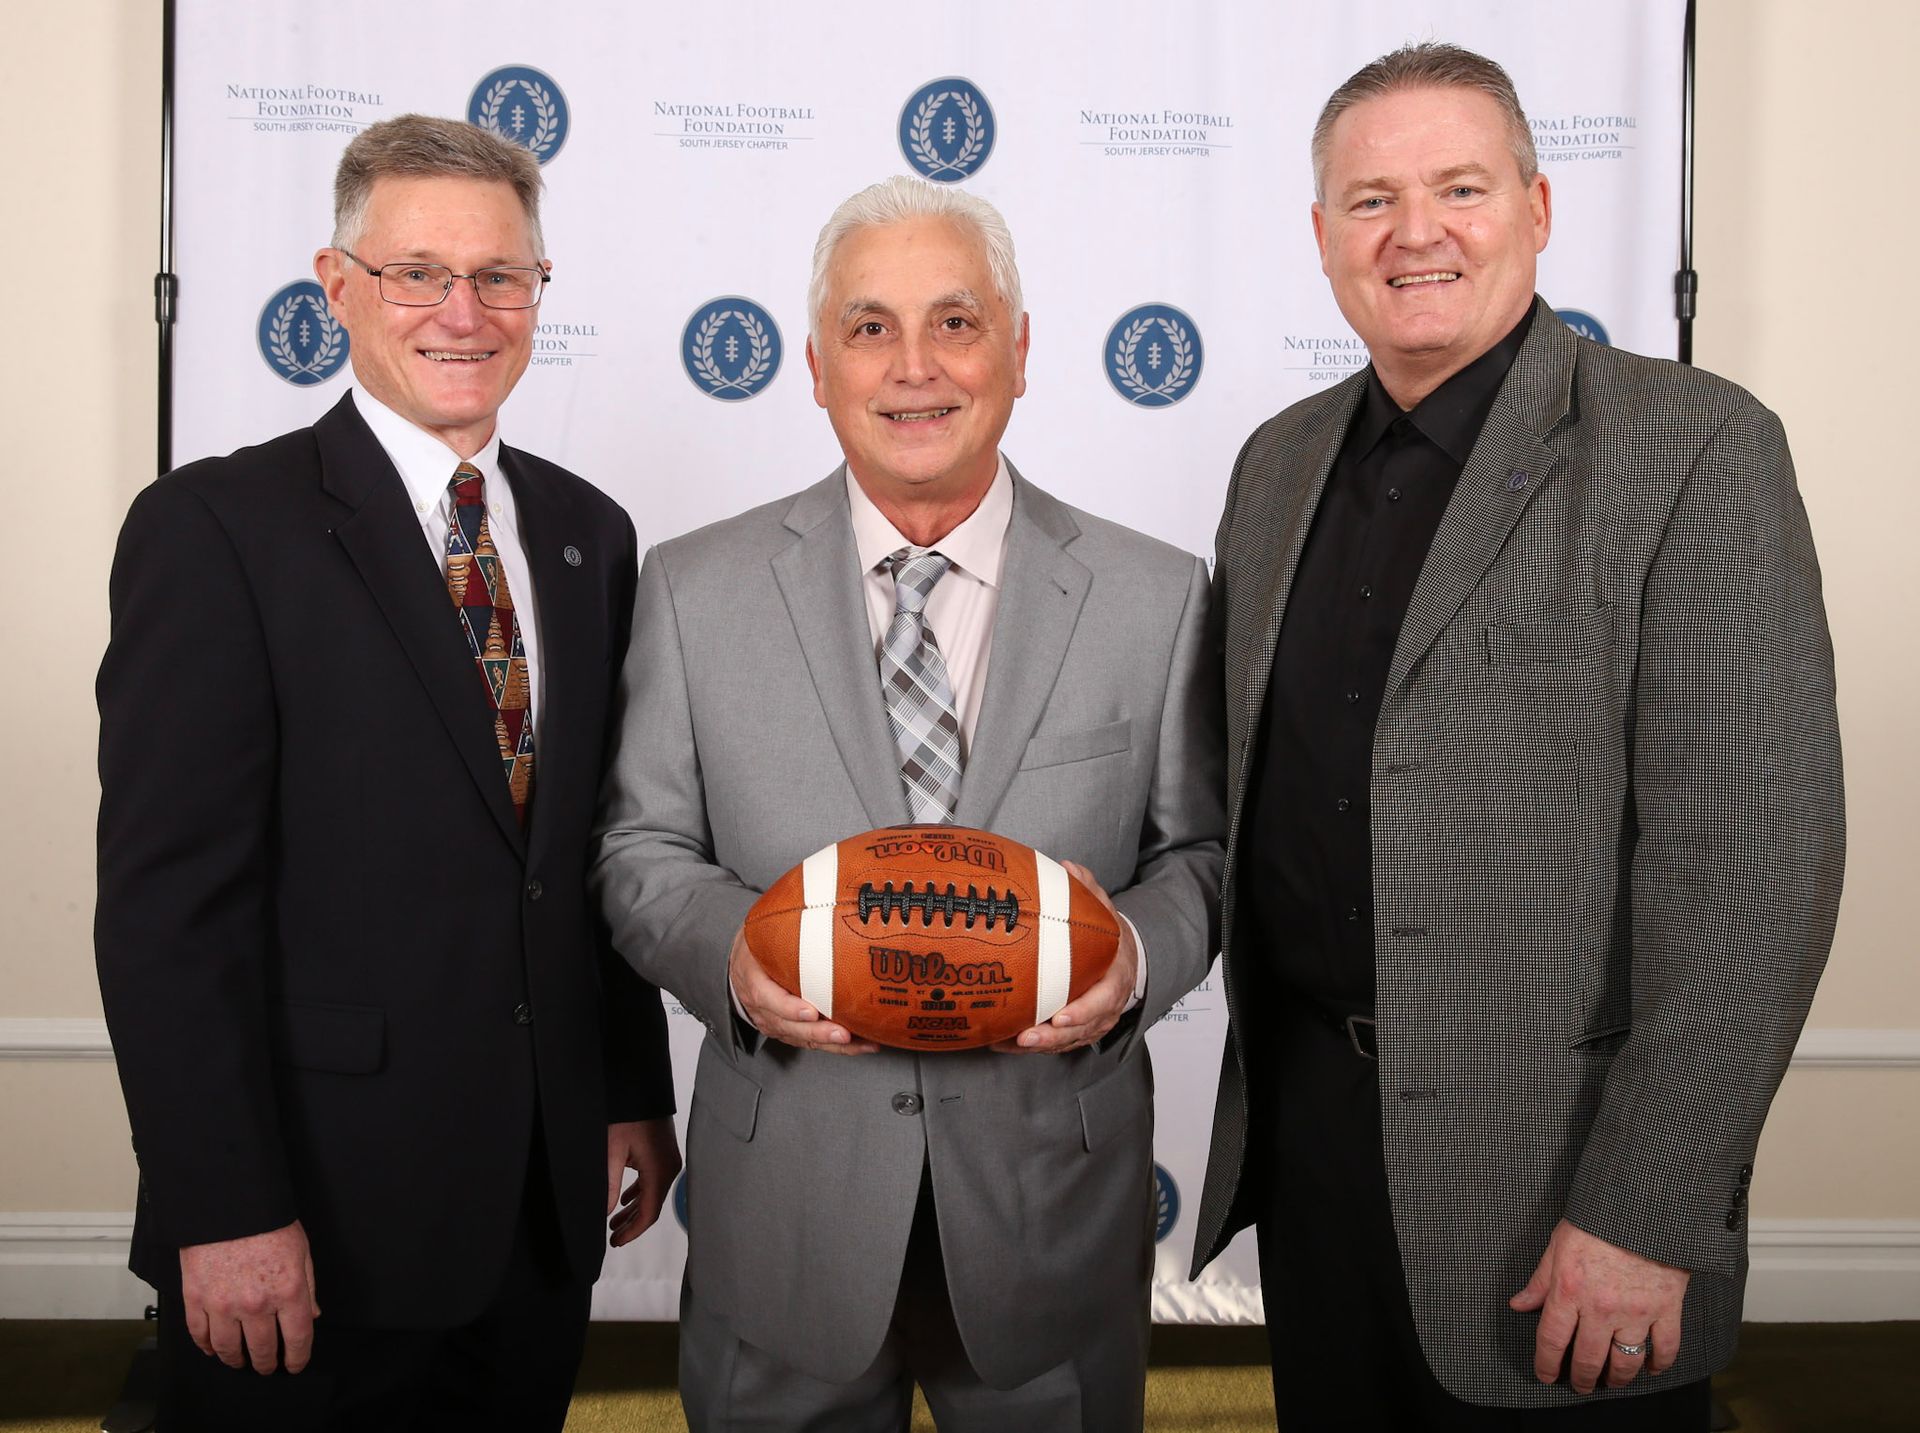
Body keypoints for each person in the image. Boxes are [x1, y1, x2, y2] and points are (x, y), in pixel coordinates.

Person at [1188, 41, 1845, 1430]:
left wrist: (1651, 1207)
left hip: (1563, 1192)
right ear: (1321, 238)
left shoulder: (1696, 450)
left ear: (1537, 211)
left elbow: (1750, 880)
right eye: (1370, 199)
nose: (1414, 231)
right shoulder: (1275, 464)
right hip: (1314, 1158)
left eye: (1460, 188)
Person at [592, 174, 1224, 1432]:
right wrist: (735, 953)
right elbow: (638, 846)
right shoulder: (694, 588)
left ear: (1021, 351)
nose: (915, 366)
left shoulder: (1157, 595)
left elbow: (1200, 851)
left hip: (1051, 1210)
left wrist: (1137, 952)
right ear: (817, 364)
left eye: (958, 320)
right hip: (790, 1215)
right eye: (871, 327)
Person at [95, 114, 680, 1432]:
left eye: (500, 276)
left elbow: (587, 854)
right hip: (310, 1226)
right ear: (338, 285)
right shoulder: (216, 532)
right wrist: (225, 1206)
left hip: (538, 1211)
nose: (461, 312)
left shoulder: (589, 534)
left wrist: (631, 1091)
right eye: (417, 272)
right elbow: (166, 918)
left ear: (537, 293)